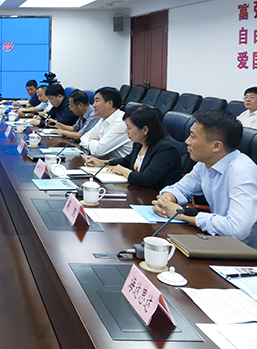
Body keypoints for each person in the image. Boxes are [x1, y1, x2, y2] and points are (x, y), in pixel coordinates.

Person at [152, 110, 257, 248]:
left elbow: (237, 229)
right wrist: (167, 199)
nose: (187, 141)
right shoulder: (206, 163)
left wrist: (183, 215)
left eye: (193, 136)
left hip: (244, 251)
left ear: (216, 146)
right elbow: (181, 188)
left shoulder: (241, 173)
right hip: (218, 241)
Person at [85, 105, 182, 191]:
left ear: (145, 130)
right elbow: (127, 161)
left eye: (129, 128)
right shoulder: (139, 143)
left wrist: (122, 170)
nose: (126, 131)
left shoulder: (166, 149)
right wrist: (102, 163)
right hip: (138, 192)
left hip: (156, 197)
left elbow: (145, 179)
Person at [80, 86, 132, 159]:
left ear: (109, 104)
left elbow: (97, 152)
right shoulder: (104, 119)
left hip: (121, 165)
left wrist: (93, 140)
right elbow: (83, 138)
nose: (93, 105)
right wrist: (95, 143)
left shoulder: (120, 122)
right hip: (106, 162)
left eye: (97, 101)